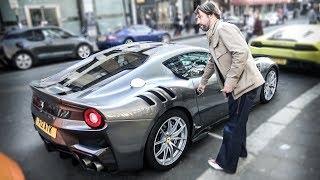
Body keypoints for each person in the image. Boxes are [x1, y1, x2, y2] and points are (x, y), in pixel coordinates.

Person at [195, 1, 265, 174]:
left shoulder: (223, 29)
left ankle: (226, 163)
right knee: (238, 122)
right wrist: (203, 82)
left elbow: (241, 53)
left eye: (200, 17)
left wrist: (229, 83)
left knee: (233, 125)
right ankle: (240, 151)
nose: (197, 21)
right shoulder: (212, 34)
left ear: (211, 15)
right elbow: (213, 61)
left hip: (244, 86)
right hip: (238, 86)